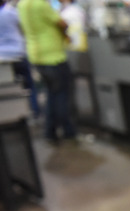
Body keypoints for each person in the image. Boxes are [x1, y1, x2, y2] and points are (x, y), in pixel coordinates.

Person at [18, 0, 77, 144]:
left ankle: (50, 131)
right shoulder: (40, 4)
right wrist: (66, 35)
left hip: (36, 56)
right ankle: (68, 131)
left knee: (51, 94)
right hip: (53, 57)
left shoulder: (22, 4)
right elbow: (61, 23)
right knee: (62, 95)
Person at [0, 0, 40, 118]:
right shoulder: (11, 13)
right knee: (29, 85)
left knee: (8, 89)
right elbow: (24, 27)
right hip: (18, 54)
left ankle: (12, 114)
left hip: (3, 58)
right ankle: (34, 112)